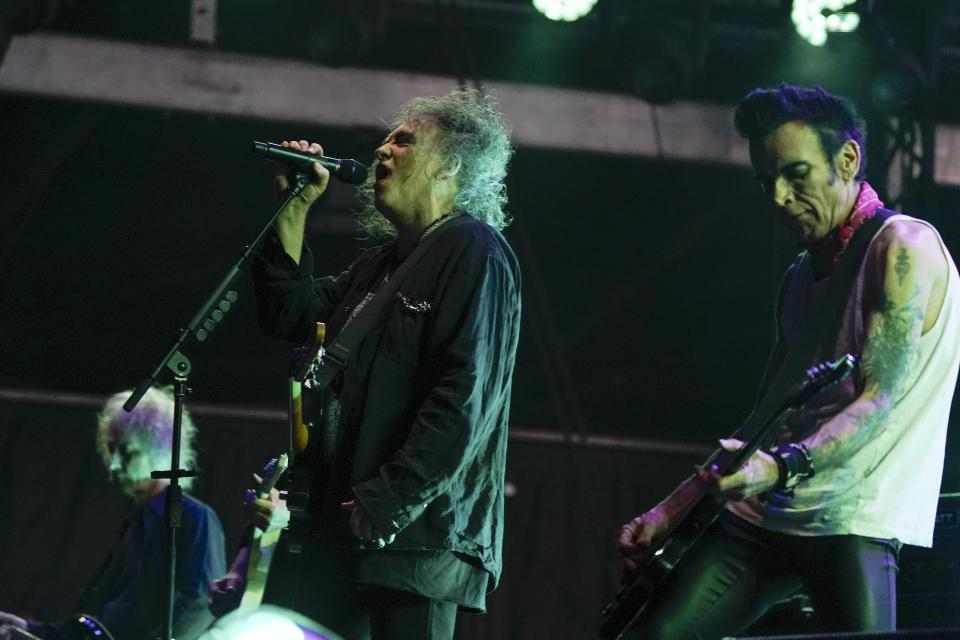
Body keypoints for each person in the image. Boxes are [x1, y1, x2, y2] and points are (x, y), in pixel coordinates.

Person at [615, 84, 960, 638]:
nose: (777, 196)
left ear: (847, 161)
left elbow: (879, 399)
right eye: (767, 180)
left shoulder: (904, 248)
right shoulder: (800, 277)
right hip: (766, 518)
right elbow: (764, 419)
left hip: (853, 519)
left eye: (796, 174)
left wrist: (778, 467)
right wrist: (670, 510)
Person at [239, 89, 521, 640]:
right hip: (343, 531)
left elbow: (464, 393)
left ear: (450, 166)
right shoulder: (380, 267)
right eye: (387, 139)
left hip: (412, 539)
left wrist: (391, 499)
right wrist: (293, 204)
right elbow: (288, 312)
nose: (382, 152)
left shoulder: (473, 249)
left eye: (404, 141)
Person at [0, 387, 227, 640]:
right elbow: (98, 626)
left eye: (128, 451)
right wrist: (26, 630)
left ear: (161, 448)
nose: (115, 464)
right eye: (112, 449)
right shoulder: (134, 527)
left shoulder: (194, 518)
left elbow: (200, 604)